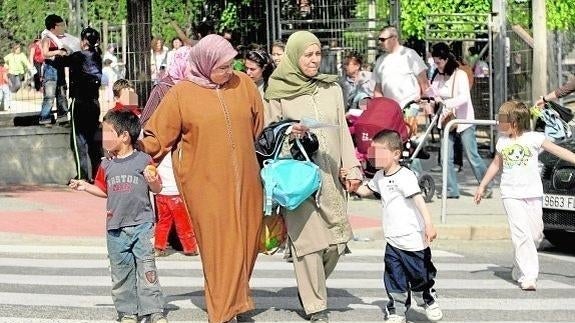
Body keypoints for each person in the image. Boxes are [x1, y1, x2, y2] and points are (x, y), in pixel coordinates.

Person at [139, 34, 264, 323]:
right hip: (205, 185)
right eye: (222, 66)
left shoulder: (243, 84)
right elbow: (157, 136)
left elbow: (257, 126)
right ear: (205, 64)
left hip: (247, 182)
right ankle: (221, 314)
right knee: (219, 248)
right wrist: (134, 155)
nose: (228, 71)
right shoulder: (182, 93)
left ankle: (238, 301)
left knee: (246, 243)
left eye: (231, 64)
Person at [264, 31, 362, 323]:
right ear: (295, 56)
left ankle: (310, 288)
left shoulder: (331, 88)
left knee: (334, 243)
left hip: (330, 176)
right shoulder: (278, 89)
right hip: (298, 179)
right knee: (309, 244)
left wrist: (352, 166)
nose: (314, 60)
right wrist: (288, 132)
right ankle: (315, 305)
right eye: (308, 55)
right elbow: (269, 134)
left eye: (317, 54)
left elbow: (342, 130)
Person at [68, 108, 168, 323]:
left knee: (147, 270)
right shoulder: (106, 164)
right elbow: (103, 190)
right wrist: (85, 186)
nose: (102, 137)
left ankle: (153, 311)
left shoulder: (143, 160)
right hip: (115, 229)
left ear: (124, 136)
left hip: (142, 225)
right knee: (121, 272)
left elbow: (157, 189)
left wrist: (152, 180)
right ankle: (127, 312)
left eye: (107, 132)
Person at [474, 100, 575, 291]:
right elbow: (496, 164)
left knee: (535, 235)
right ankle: (529, 276)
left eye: (502, 119)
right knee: (521, 234)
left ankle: (518, 265)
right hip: (511, 194)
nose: (498, 123)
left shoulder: (535, 138)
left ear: (515, 122)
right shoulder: (502, 142)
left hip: (533, 194)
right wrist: (482, 185)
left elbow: (559, 150)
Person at [351, 130, 442, 323]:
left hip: (414, 240)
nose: (375, 156)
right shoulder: (379, 176)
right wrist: (351, 185)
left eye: (381, 151)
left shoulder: (405, 176)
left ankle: (428, 300)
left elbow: (419, 201)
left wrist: (429, 224)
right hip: (392, 240)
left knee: (420, 277)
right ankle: (397, 310)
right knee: (394, 277)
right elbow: (366, 190)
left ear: (395, 154)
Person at [139, 45, 198, 258]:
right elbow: (147, 120)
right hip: (166, 151)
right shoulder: (163, 88)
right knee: (167, 200)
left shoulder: (196, 85)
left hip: (189, 148)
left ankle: (186, 242)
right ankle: (170, 242)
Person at [429, 42, 492, 199]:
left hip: (463, 120)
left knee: (472, 156)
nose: (437, 66)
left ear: (446, 59)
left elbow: (464, 97)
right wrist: (430, 99)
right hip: (446, 120)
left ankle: (486, 185)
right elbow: (434, 91)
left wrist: (446, 102)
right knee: (445, 157)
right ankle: (451, 189)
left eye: (439, 62)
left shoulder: (460, 74)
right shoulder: (437, 75)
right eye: (435, 62)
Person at [65, 27, 103, 182]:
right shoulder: (97, 56)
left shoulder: (78, 56)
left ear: (85, 41)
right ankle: (97, 175)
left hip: (80, 101)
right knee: (93, 140)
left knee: (78, 140)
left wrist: (62, 50)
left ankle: (82, 176)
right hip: (94, 102)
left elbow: (62, 60)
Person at [372, 26, 428, 108]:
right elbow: (378, 89)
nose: (380, 42)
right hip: (390, 110)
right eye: (379, 39)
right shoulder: (380, 60)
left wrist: (424, 104)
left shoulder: (410, 54)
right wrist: (381, 106)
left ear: (394, 38)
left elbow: (424, 82)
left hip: (411, 107)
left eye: (383, 39)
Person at [38, 14, 70, 126]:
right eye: (60, 25)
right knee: (49, 96)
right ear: (53, 27)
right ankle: (45, 118)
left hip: (59, 68)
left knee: (61, 94)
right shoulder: (46, 38)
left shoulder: (59, 40)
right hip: (50, 69)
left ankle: (63, 118)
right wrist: (58, 52)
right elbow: (45, 53)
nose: (62, 28)